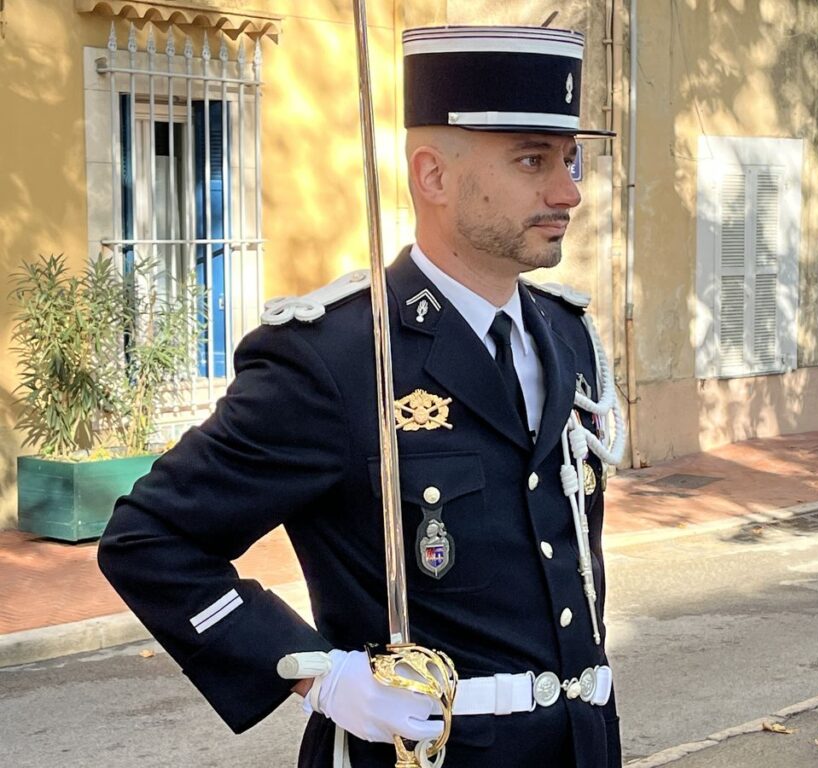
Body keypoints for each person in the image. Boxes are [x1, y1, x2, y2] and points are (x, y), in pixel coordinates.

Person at [98, 23, 625, 768]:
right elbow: (150, 541)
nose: (568, 191)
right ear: (433, 176)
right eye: (532, 160)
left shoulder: (568, 336)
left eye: (569, 159)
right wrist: (316, 672)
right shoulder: (338, 357)